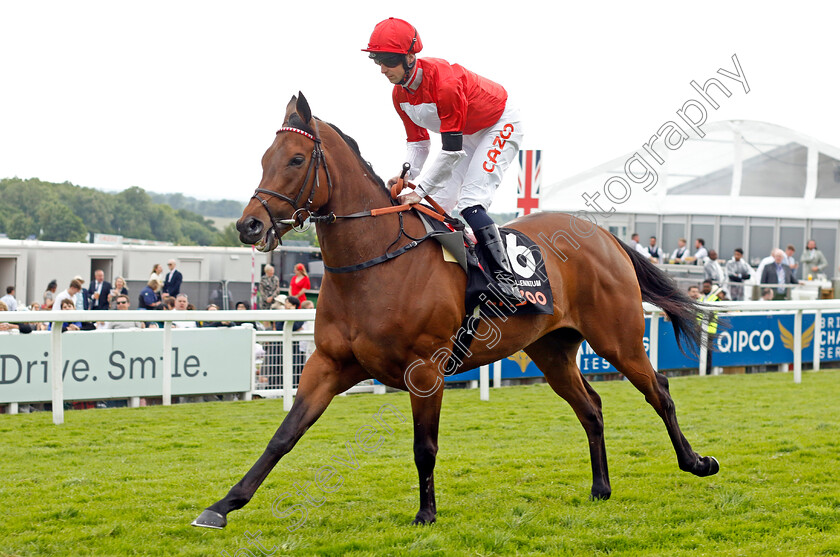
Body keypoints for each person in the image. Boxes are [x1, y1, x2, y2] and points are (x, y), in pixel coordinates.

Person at [363, 17, 524, 304]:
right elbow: (419, 143)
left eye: (388, 60)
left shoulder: (445, 84)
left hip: (497, 125)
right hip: (465, 134)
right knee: (435, 207)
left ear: (410, 57)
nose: (382, 69)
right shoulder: (399, 94)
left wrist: (418, 190)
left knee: (470, 204)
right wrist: (406, 178)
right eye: (378, 61)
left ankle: (505, 280)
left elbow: (451, 152)